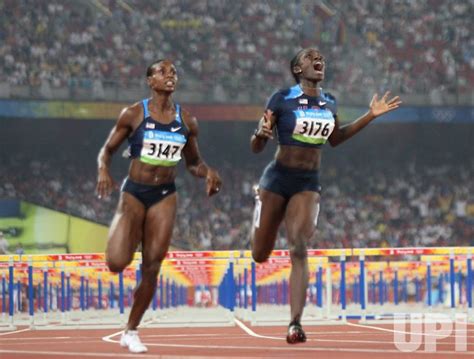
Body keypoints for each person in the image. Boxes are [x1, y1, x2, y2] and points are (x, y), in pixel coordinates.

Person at [250, 48, 401, 344]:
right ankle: (260, 205)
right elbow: (257, 146)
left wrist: (370, 115)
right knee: (260, 254)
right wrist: (260, 135)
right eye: (309, 56)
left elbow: (336, 139)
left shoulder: (329, 102)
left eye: (320, 57)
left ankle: (295, 323)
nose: (318, 59)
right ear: (297, 68)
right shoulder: (281, 98)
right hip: (276, 178)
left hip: (307, 182)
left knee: (299, 248)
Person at [96, 59, 222, 353]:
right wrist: (103, 169)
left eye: (174, 72)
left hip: (164, 195)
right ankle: (130, 238)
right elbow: (108, 150)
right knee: (116, 262)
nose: (170, 76)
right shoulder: (133, 114)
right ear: (149, 81)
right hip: (134, 193)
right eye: (162, 71)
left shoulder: (187, 121)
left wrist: (209, 172)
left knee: (152, 266)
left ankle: (131, 330)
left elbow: (193, 163)